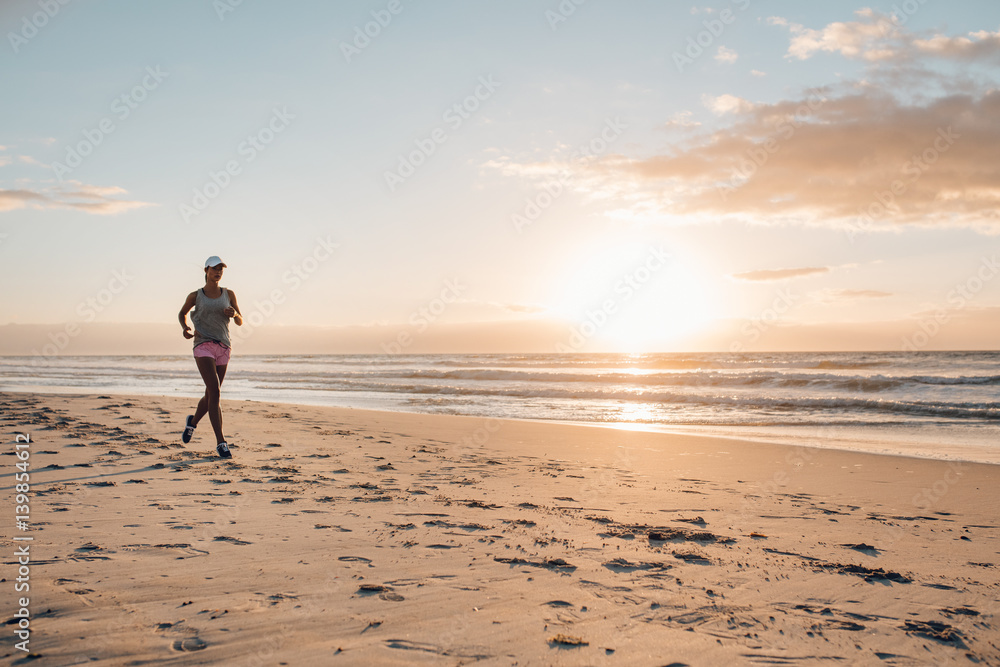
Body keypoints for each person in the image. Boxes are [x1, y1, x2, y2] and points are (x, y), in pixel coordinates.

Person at [177, 256, 243, 458]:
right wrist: (185, 328)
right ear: (206, 270)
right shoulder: (196, 295)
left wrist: (234, 315)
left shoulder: (229, 294)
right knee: (215, 392)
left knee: (211, 394)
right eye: (215, 269)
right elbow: (182, 313)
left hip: (223, 346)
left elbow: (240, 320)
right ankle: (221, 442)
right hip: (203, 345)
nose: (218, 272)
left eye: (221, 269)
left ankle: (193, 422)